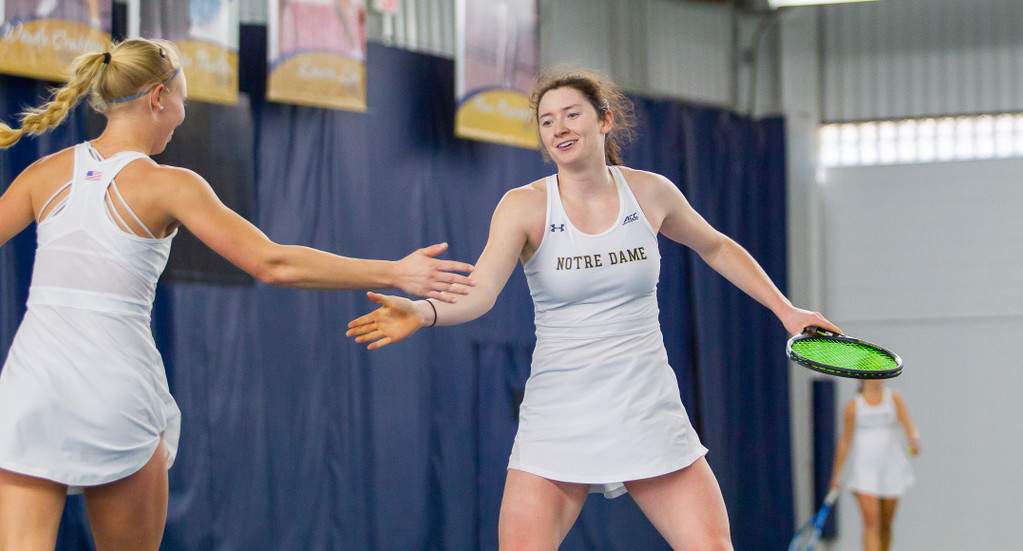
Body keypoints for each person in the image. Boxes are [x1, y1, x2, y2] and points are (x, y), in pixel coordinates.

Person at [0, 38, 473, 551]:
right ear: (158, 97)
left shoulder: (41, 174)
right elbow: (273, 263)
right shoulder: (169, 184)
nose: (183, 111)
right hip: (112, 386)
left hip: (32, 384)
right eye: (182, 97)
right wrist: (395, 272)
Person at [345, 68, 840, 550]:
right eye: (547, 121)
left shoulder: (650, 192)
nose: (559, 128)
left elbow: (715, 246)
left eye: (571, 115)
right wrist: (423, 312)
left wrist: (787, 311)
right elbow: (481, 292)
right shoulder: (523, 206)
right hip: (559, 414)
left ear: (604, 120)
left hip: (646, 406)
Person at [829, 379, 919, 551]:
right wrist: (836, 475)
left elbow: (910, 427)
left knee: (886, 525)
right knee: (871, 523)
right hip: (864, 471)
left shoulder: (894, 399)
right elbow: (844, 441)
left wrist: (914, 440)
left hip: (891, 469)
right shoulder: (853, 406)